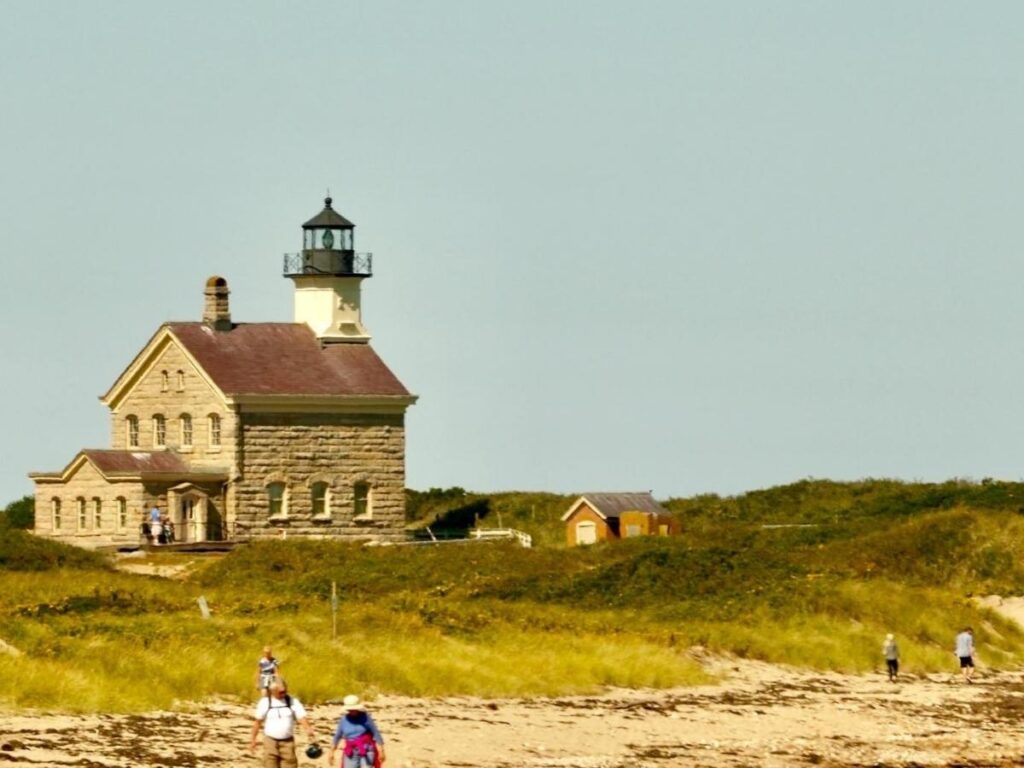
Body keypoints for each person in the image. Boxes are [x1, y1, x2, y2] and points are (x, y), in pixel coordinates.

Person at [249, 678, 315, 768]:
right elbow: (257, 722)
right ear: (273, 691)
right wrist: (253, 740)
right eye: (281, 692)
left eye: (285, 691)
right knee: (270, 764)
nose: (284, 694)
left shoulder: (292, 701)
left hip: (288, 742)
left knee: (290, 764)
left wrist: (308, 730)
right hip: (270, 741)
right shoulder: (265, 703)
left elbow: (301, 717)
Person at [329, 694, 386, 768]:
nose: (352, 711)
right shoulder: (344, 720)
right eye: (350, 709)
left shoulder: (365, 718)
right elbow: (337, 736)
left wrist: (381, 750)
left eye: (353, 709)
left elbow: (375, 732)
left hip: (366, 749)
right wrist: (331, 752)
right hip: (351, 751)